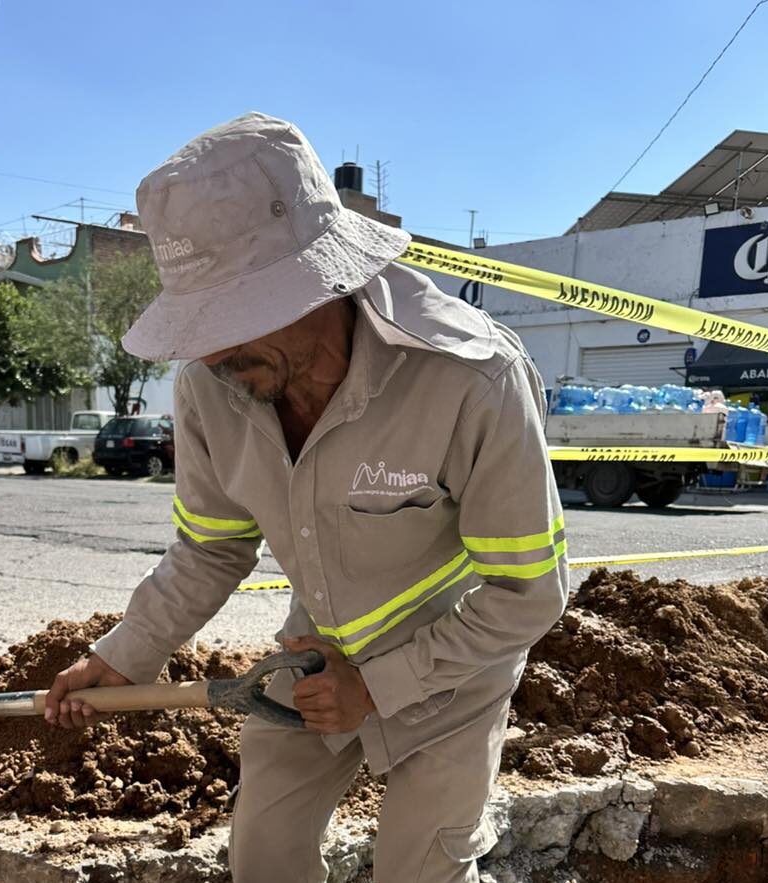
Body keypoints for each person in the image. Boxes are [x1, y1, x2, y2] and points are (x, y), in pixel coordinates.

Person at [45, 112, 570, 883]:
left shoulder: (469, 378)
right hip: (316, 655)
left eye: (233, 318)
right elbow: (211, 547)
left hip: (454, 665)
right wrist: (125, 654)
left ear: (320, 280)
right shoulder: (210, 384)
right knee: (262, 856)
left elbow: (529, 594)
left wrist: (381, 687)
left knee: (419, 870)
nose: (213, 352)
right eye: (201, 326)